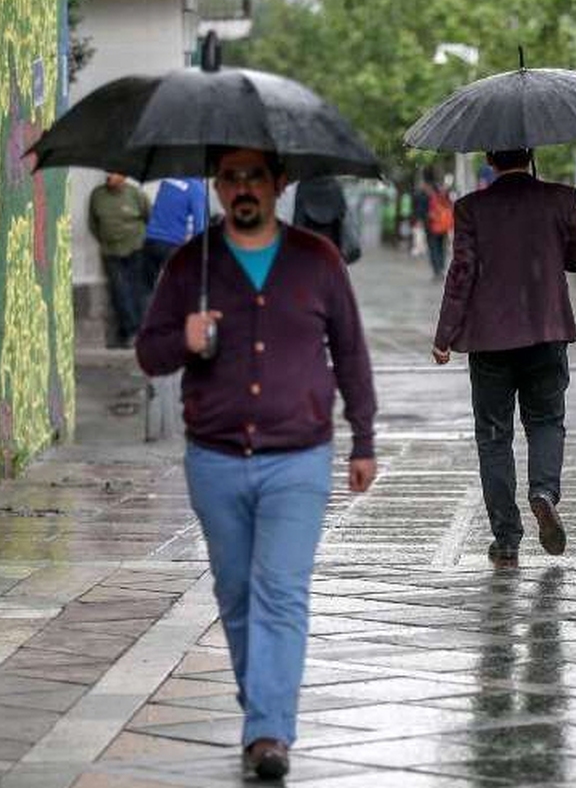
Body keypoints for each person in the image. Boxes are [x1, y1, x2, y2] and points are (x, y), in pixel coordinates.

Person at [135, 147, 377, 781]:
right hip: (215, 460)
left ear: (279, 184)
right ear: (217, 188)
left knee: (281, 592)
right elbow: (149, 353)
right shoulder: (192, 264)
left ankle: (268, 731)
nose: (242, 189)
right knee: (237, 593)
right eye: (230, 178)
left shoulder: (317, 261)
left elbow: (350, 351)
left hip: (299, 457)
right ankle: (262, 709)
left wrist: (364, 439)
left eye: (254, 177)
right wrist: (181, 339)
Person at [431, 148, 576, 566]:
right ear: (532, 153)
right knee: (545, 422)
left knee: (493, 438)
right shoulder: (561, 198)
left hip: (490, 340)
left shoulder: (471, 208)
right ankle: (543, 492)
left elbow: (461, 273)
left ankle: (506, 539)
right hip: (546, 332)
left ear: (490, 157)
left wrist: (444, 334)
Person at [88, 172, 150, 347]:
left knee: (138, 289)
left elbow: (148, 215)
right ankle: (130, 331)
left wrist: (140, 238)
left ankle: (142, 330)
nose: (109, 177)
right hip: (111, 251)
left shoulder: (135, 194)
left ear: (123, 176)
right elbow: (93, 223)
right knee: (120, 292)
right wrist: (104, 239)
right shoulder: (98, 195)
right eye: (108, 173)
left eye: (114, 173)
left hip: (135, 248)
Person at [141, 176, 207, 307]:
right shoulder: (196, 188)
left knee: (147, 288)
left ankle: (146, 323)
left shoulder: (167, 181)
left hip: (150, 240)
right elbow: (200, 227)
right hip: (171, 244)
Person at [293, 175, 361, 263]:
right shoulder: (336, 186)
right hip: (332, 246)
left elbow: (298, 220)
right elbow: (342, 217)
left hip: (309, 245)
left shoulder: (303, 186)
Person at [413, 167, 453, 279]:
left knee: (433, 247)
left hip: (430, 223)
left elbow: (420, 208)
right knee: (441, 246)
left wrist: (419, 220)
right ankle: (441, 268)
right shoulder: (440, 189)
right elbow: (448, 204)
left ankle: (436, 271)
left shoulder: (423, 190)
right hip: (442, 222)